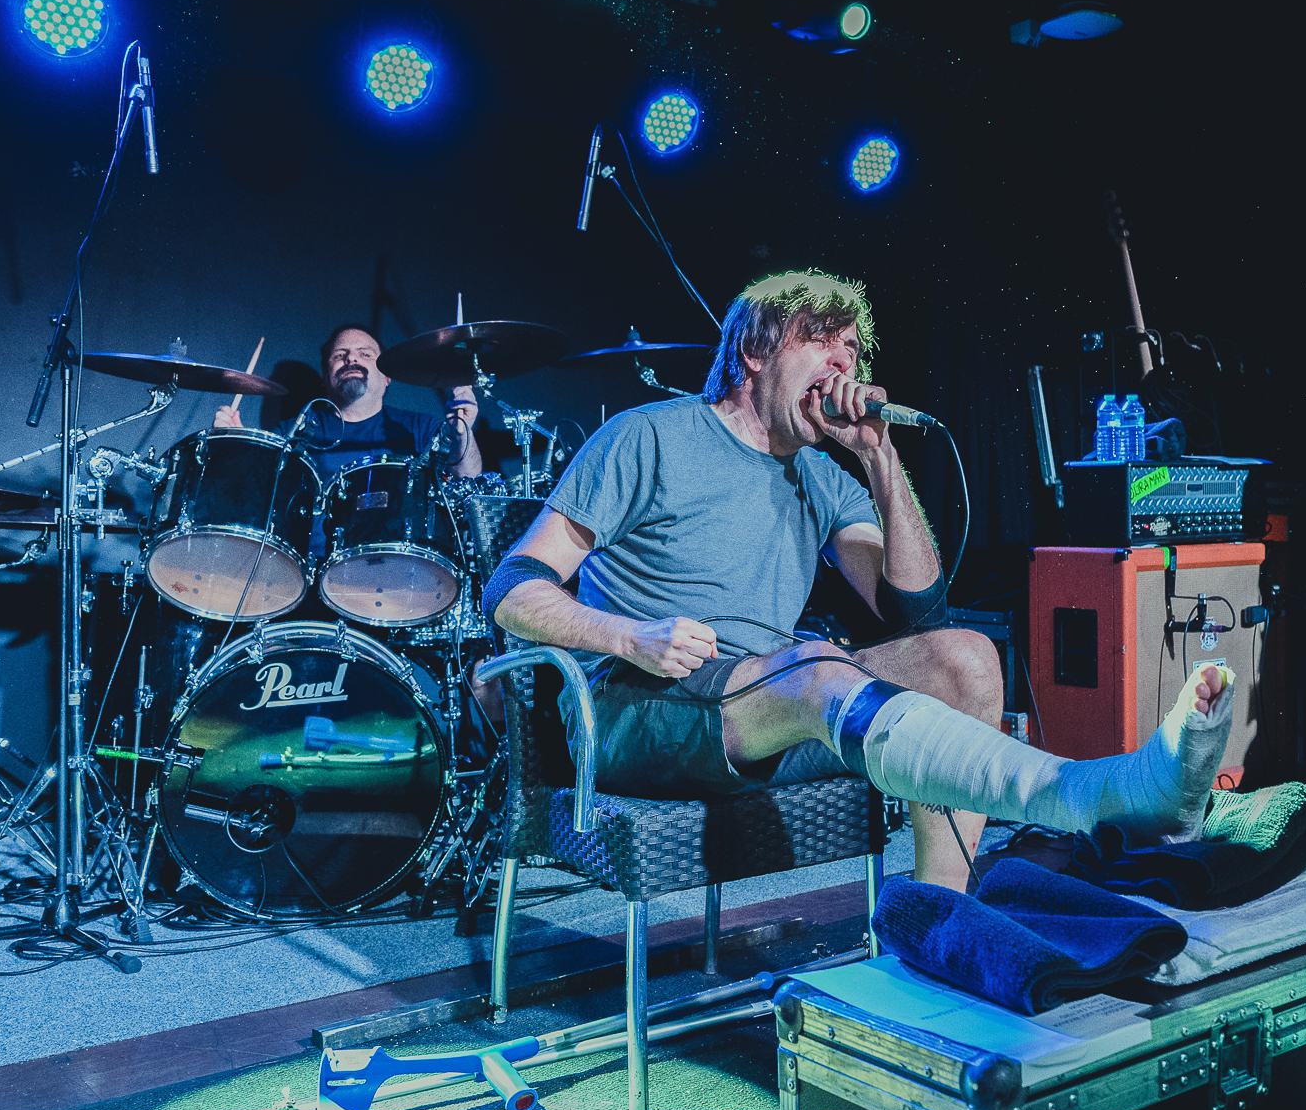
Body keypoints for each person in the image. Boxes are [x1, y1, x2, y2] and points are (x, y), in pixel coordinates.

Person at [483, 271, 1238, 892]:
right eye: (821, 340)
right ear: (753, 350)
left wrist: (879, 457)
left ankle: (938, 914)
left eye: (851, 348)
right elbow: (511, 588)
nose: (843, 363)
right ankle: (1085, 794)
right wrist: (629, 636)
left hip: (772, 706)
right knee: (816, 666)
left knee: (967, 660)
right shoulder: (649, 436)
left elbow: (917, 612)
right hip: (638, 710)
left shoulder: (821, 475)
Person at [214, 324, 484, 481]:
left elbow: (468, 477)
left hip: (402, 559)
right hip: (310, 561)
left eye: (365, 354)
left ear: (387, 376)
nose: (351, 359)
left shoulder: (419, 428)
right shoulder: (293, 432)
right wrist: (235, 447)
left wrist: (463, 433)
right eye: (339, 355)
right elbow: (253, 491)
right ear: (325, 376)